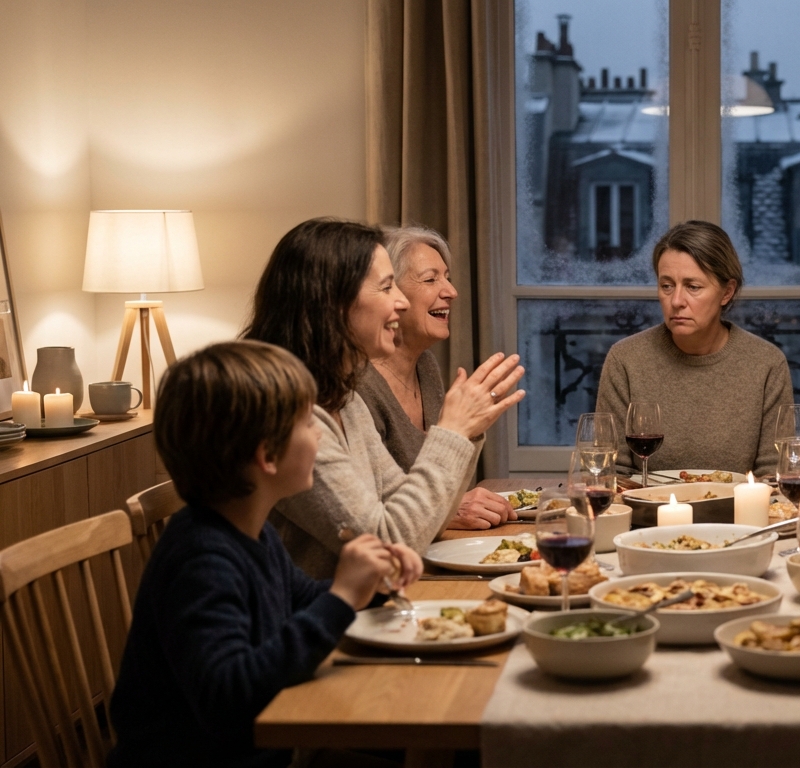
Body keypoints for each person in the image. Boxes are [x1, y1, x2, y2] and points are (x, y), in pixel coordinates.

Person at [108, 340, 423, 768]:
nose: (319, 434)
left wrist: (371, 583)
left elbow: (303, 601)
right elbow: (230, 699)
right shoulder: (201, 559)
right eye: (308, 424)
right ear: (267, 456)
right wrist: (343, 598)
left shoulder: (251, 534)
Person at [244, 218, 525, 578]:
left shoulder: (343, 400)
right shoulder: (290, 415)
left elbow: (419, 516)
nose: (400, 302)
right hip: (317, 622)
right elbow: (390, 545)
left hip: (362, 605)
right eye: (387, 286)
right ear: (333, 301)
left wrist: (467, 430)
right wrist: (452, 432)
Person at [596, 220, 793, 476]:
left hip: (739, 516)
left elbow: (774, 475)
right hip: (646, 514)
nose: (676, 301)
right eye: (667, 286)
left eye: (693, 287)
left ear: (727, 292)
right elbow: (610, 472)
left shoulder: (767, 363)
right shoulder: (626, 359)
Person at [357, 225, 516, 529]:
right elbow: (369, 512)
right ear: (389, 292)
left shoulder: (425, 367)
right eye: (431, 279)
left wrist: (468, 431)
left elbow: (446, 484)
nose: (452, 292)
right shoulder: (357, 385)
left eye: (447, 277)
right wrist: (449, 510)